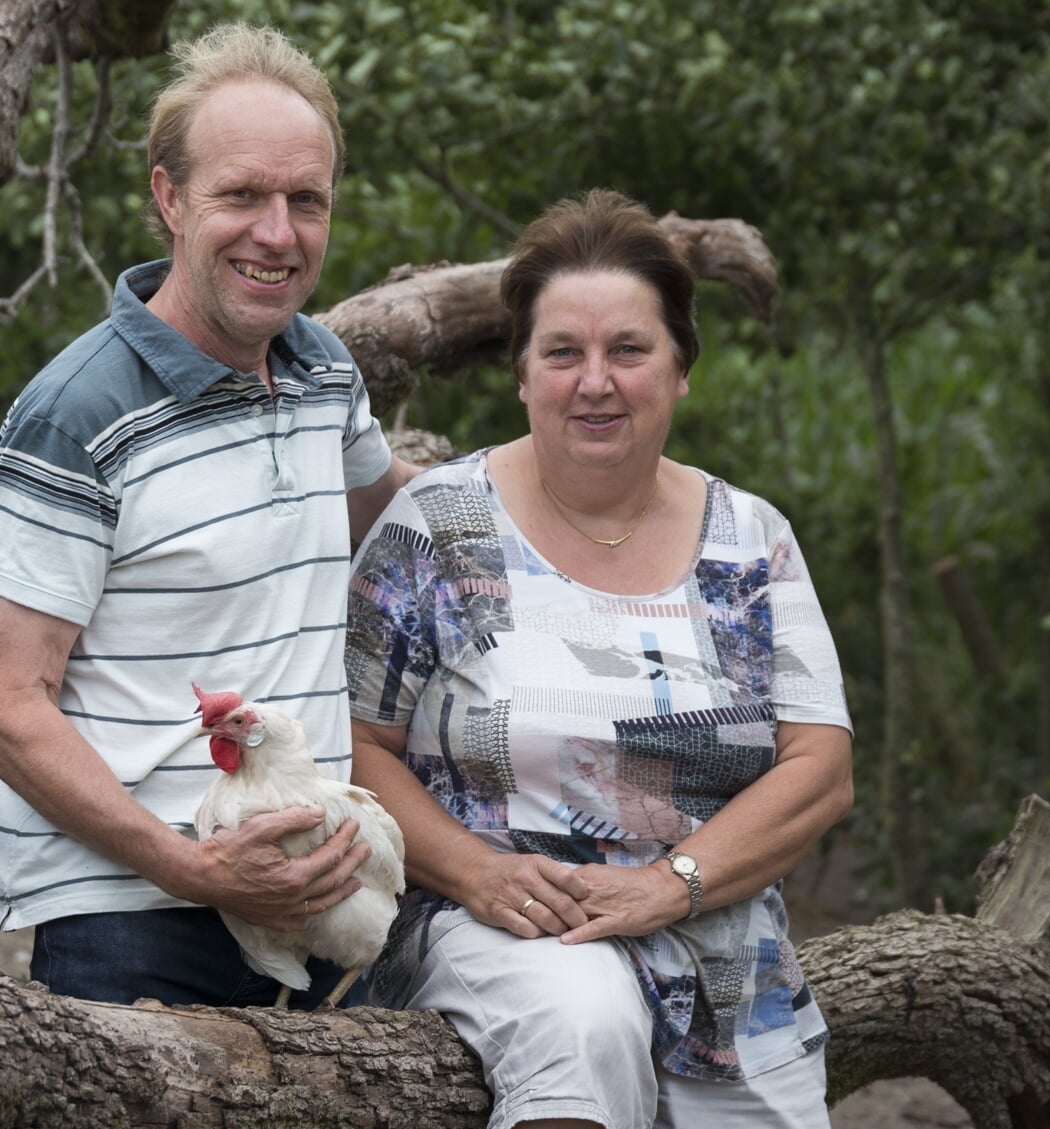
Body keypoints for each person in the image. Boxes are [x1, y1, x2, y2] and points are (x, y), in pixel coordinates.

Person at [345, 189, 854, 1128]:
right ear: (521, 373)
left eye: (628, 350)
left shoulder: (751, 540)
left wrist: (671, 884)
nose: (595, 381)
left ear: (680, 370)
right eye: (563, 353)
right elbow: (355, 744)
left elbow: (818, 769)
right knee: (583, 1026)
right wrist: (472, 870)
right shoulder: (438, 529)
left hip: (720, 950)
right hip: (499, 922)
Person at [0, 23, 415, 1009]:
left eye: (305, 201)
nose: (276, 232)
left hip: (320, 896)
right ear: (168, 199)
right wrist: (186, 864)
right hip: (137, 918)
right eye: (240, 195)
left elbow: (394, 509)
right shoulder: (77, 412)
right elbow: (2, 707)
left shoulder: (322, 367)